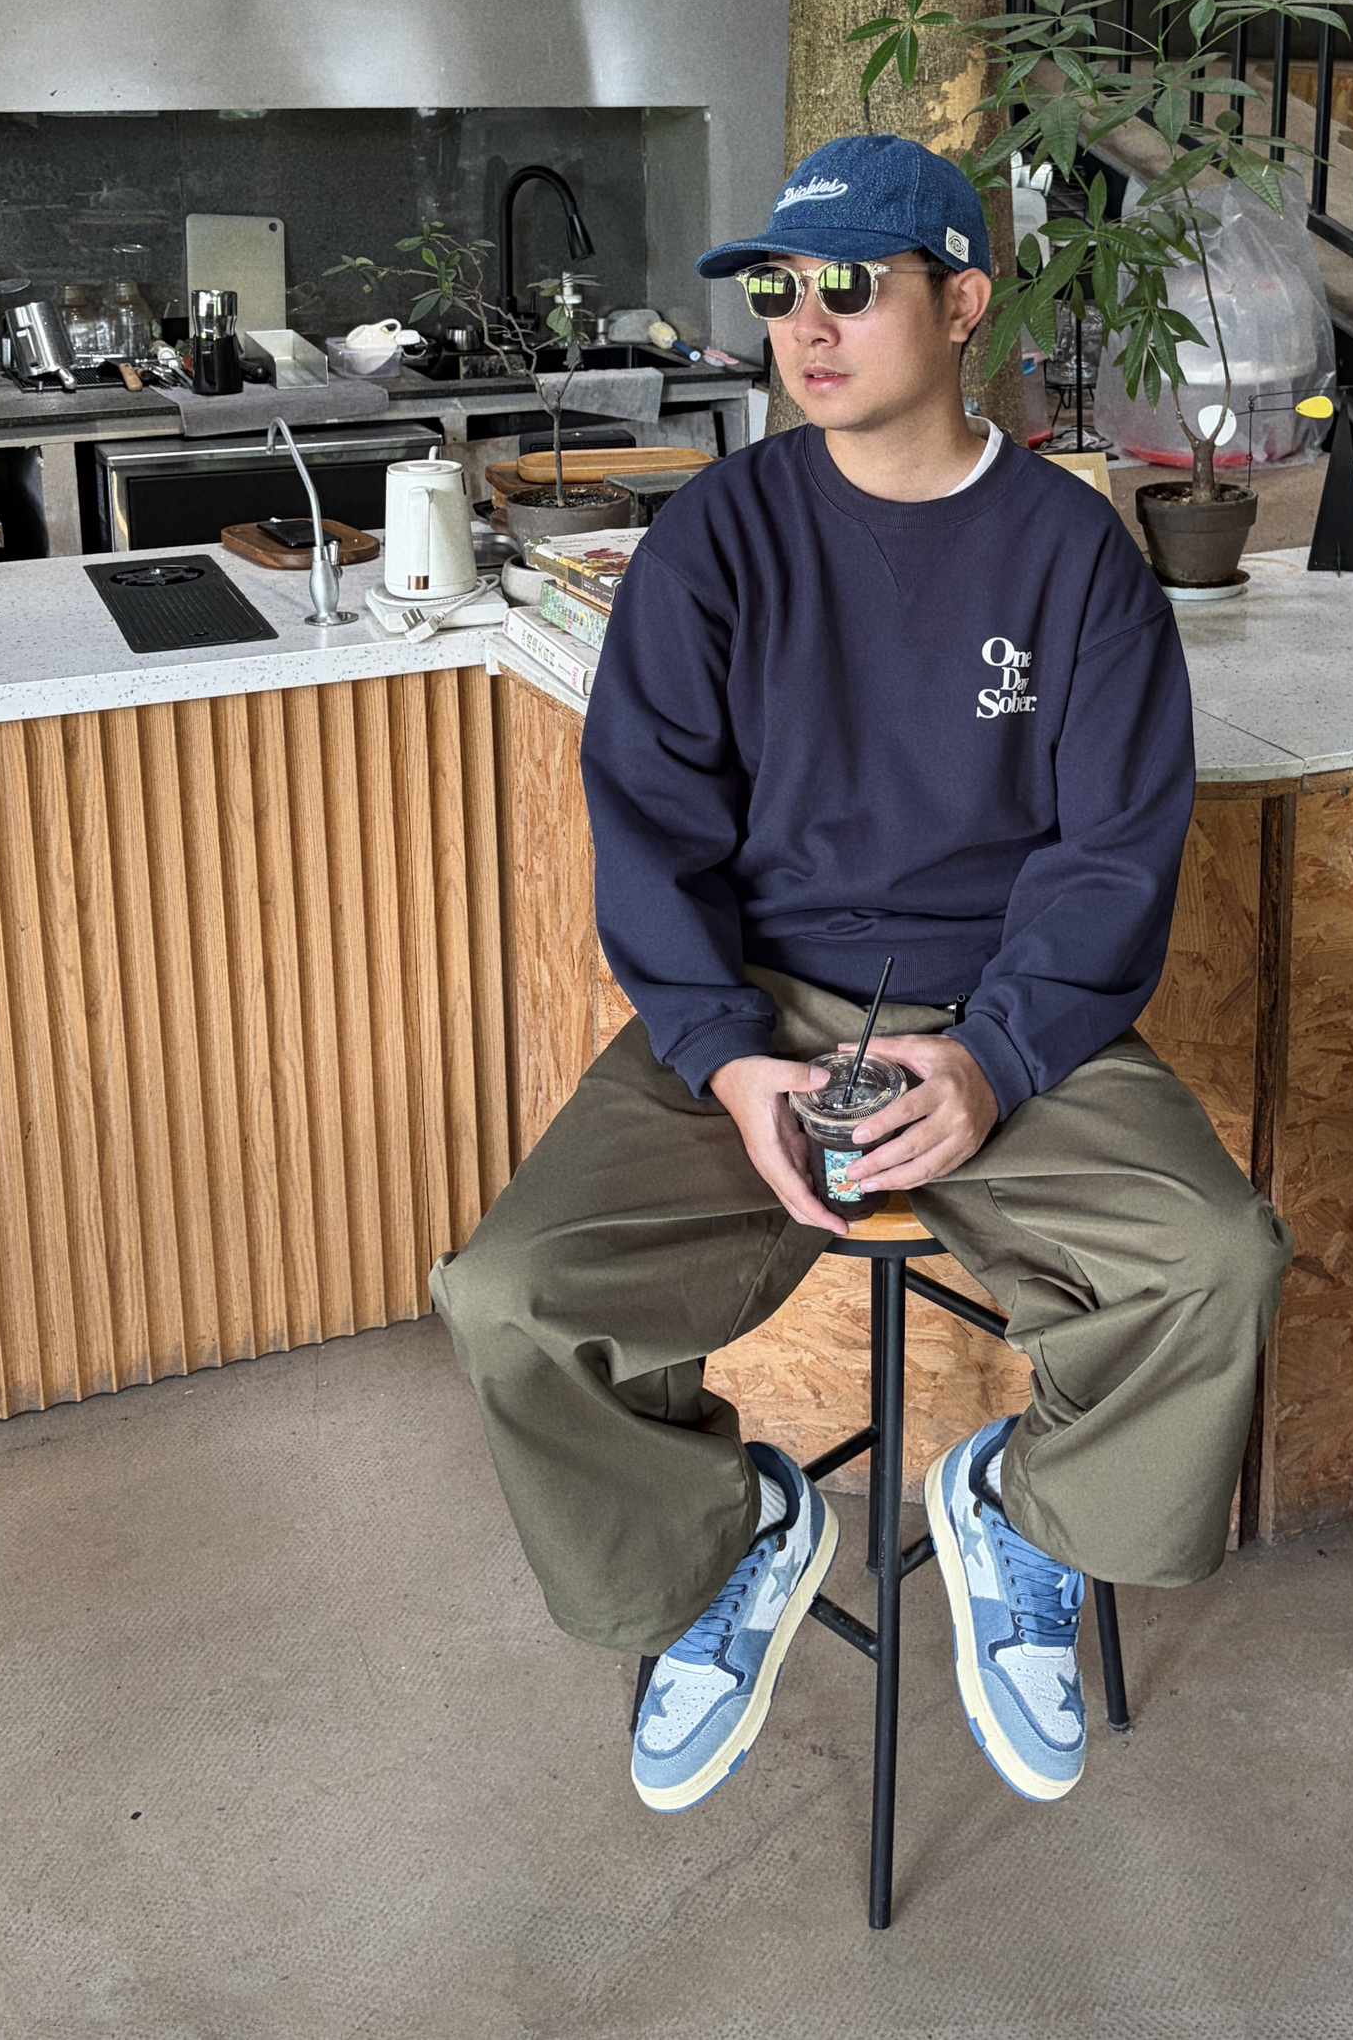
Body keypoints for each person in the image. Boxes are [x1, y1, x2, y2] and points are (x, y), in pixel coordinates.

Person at [432, 133, 1291, 1815]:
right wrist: (725, 1052)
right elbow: (652, 829)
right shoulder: (714, 539)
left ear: (962, 304)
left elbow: (1113, 850)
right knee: (512, 1297)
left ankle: (1018, 1510)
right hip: (760, 1010)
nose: (804, 325)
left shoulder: (1072, 556)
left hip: (1006, 1017)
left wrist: (996, 1057)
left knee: (1213, 1262)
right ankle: (732, 1531)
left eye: (849, 285)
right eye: (776, 290)